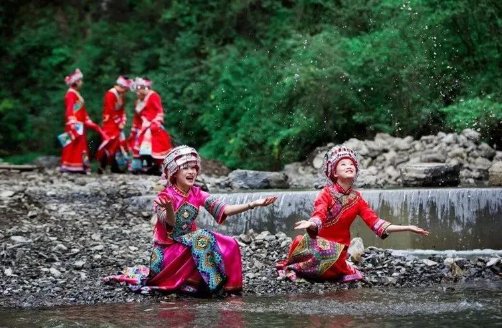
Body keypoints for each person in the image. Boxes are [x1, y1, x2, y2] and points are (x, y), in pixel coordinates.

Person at [104, 145, 277, 295]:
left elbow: (223, 210)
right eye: (186, 168)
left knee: (230, 243)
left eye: (194, 168)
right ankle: (214, 287)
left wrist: (254, 204)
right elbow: (169, 225)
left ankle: (228, 286)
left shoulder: (197, 193)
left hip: (191, 246)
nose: (191, 172)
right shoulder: (164, 196)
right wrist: (170, 209)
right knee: (202, 237)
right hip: (167, 253)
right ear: (174, 171)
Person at [276, 145, 429, 282]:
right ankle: (302, 268)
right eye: (343, 164)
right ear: (334, 173)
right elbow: (319, 213)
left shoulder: (357, 199)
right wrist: (312, 223)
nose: (349, 166)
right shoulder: (326, 193)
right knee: (299, 241)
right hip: (318, 246)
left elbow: (376, 223)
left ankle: (320, 269)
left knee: (335, 261)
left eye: (351, 164)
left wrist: (407, 228)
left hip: (339, 250)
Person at [59, 68, 107, 173]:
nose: (82, 82)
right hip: (74, 124)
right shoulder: (71, 94)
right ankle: (68, 166)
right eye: (80, 80)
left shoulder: (76, 94)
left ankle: (81, 166)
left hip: (79, 123)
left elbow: (81, 111)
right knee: (72, 145)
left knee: (81, 146)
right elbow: (70, 110)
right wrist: (72, 122)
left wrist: (88, 121)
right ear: (76, 82)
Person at [128, 77, 173, 174]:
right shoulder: (138, 101)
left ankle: (155, 166)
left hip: (153, 125)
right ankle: (144, 166)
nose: (137, 93)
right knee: (140, 144)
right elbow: (137, 118)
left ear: (144, 88)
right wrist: (134, 129)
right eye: (137, 91)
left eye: (139, 90)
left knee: (153, 144)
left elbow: (159, 111)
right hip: (143, 126)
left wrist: (156, 123)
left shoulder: (153, 96)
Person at [96, 76, 132, 173]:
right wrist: (118, 122)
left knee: (118, 145)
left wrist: (123, 120)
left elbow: (122, 110)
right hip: (109, 124)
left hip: (117, 124)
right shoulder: (110, 94)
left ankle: (115, 167)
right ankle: (102, 166)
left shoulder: (121, 95)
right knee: (108, 144)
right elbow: (110, 110)